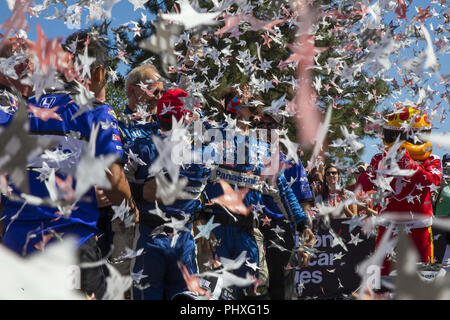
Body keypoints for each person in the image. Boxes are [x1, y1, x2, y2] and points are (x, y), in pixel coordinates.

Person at [1, 30, 138, 299]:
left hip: (16, 246)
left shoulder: (20, 110)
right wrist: (130, 207)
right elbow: (117, 185)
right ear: (99, 73)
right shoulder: (97, 111)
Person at [130, 88, 210, 300]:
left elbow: (115, 183)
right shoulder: (201, 153)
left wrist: (140, 191)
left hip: (149, 237)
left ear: (159, 115)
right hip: (183, 239)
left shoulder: (141, 147)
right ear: (185, 116)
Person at [97, 64, 165, 278]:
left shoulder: (166, 127)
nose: (159, 97)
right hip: (128, 223)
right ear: (132, 91)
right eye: (155, 90)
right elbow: (106, 176)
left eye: (162, 92)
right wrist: (137, 192)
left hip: (165, 226)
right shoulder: (115, 125)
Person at [357, 106, 442, 276]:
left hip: (419, 227)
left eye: (402, 136)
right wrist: (379, 169)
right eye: (394, 135)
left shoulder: (431, 159)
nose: (398, 141)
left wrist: (412, 166)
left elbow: (434, 181)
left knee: (423, 276)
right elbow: (363, 185)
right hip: (388, 226)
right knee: (384, 278)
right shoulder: (379, 158)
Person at [256, 113, 316, 300]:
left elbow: (304, 204)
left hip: (280, 228)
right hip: (250, 226)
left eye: (270, 125)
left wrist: (305, 244)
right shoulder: (249, 157)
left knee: (280, 288)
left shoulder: (292, 163)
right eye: (261, 124)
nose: (265, 129)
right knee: (252, 285)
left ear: (281, 131)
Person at [433, 153, 450, 265]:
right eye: (446, 163)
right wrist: (439, 187)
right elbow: (431, 201)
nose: (448, 165)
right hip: (439, 221)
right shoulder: (437, 179)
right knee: (437, 257)